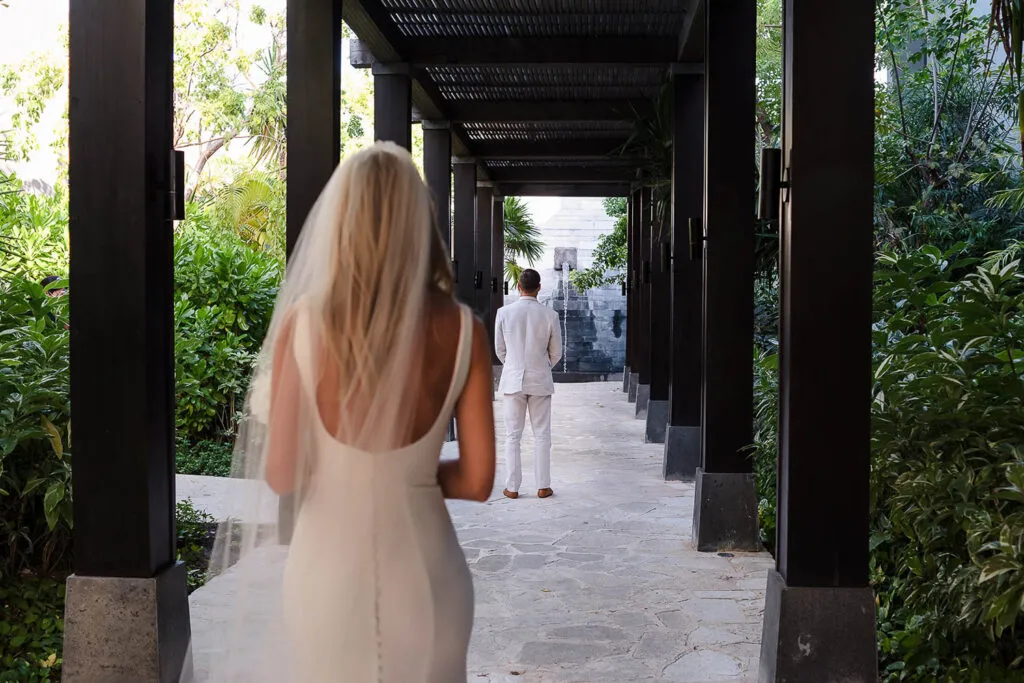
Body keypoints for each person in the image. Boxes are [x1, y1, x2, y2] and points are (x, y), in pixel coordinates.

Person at [199, 142, 496, 683]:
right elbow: (478, 480)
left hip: (328, 571)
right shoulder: (464, 332)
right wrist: (410, 478)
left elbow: (283, 472)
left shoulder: (303, 326)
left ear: (342, 221)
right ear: (420, 223)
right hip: (427, 573)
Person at [494, 268, 562, 500]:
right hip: (540, 379)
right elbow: (557, 353)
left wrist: (514, 365)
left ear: (518, 287)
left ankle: (512, 487)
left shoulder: (503, 313)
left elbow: (499, 350)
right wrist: (541, 367)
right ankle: (543, 486)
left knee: (512, 435)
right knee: (542, 434)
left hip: (512, 379)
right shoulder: (550, 315)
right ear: (539, 288)